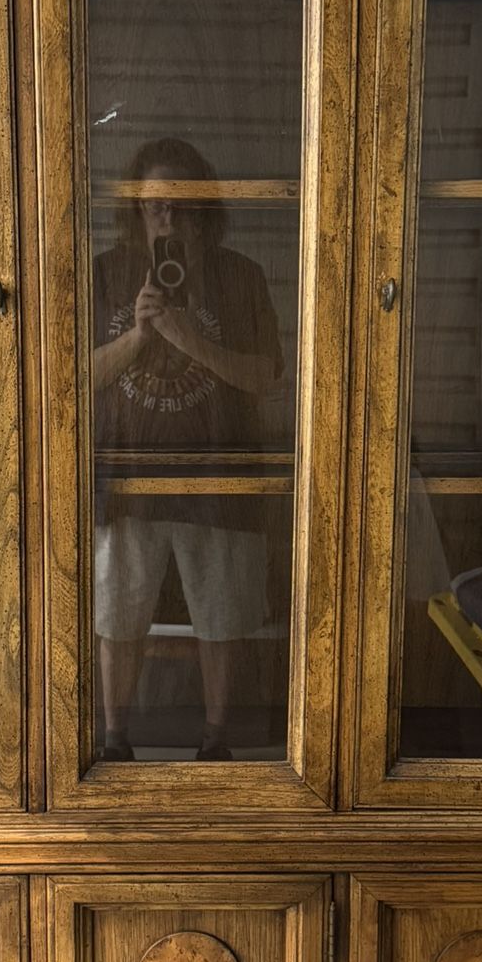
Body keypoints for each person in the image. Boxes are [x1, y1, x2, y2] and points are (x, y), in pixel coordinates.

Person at [92, 137, 283, 760]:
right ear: (136, 212)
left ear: (205, 208)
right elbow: (69, 379)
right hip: (127, 472)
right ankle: (115, 739)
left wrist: (189, 338)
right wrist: (139, 337)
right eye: (155, 207)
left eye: (181, 204)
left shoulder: (241, 276)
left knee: (222, 617)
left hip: (220, 472)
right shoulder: (105, 274)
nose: (168, 219)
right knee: (117, 612)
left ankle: (216, 740)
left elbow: (266, 376)